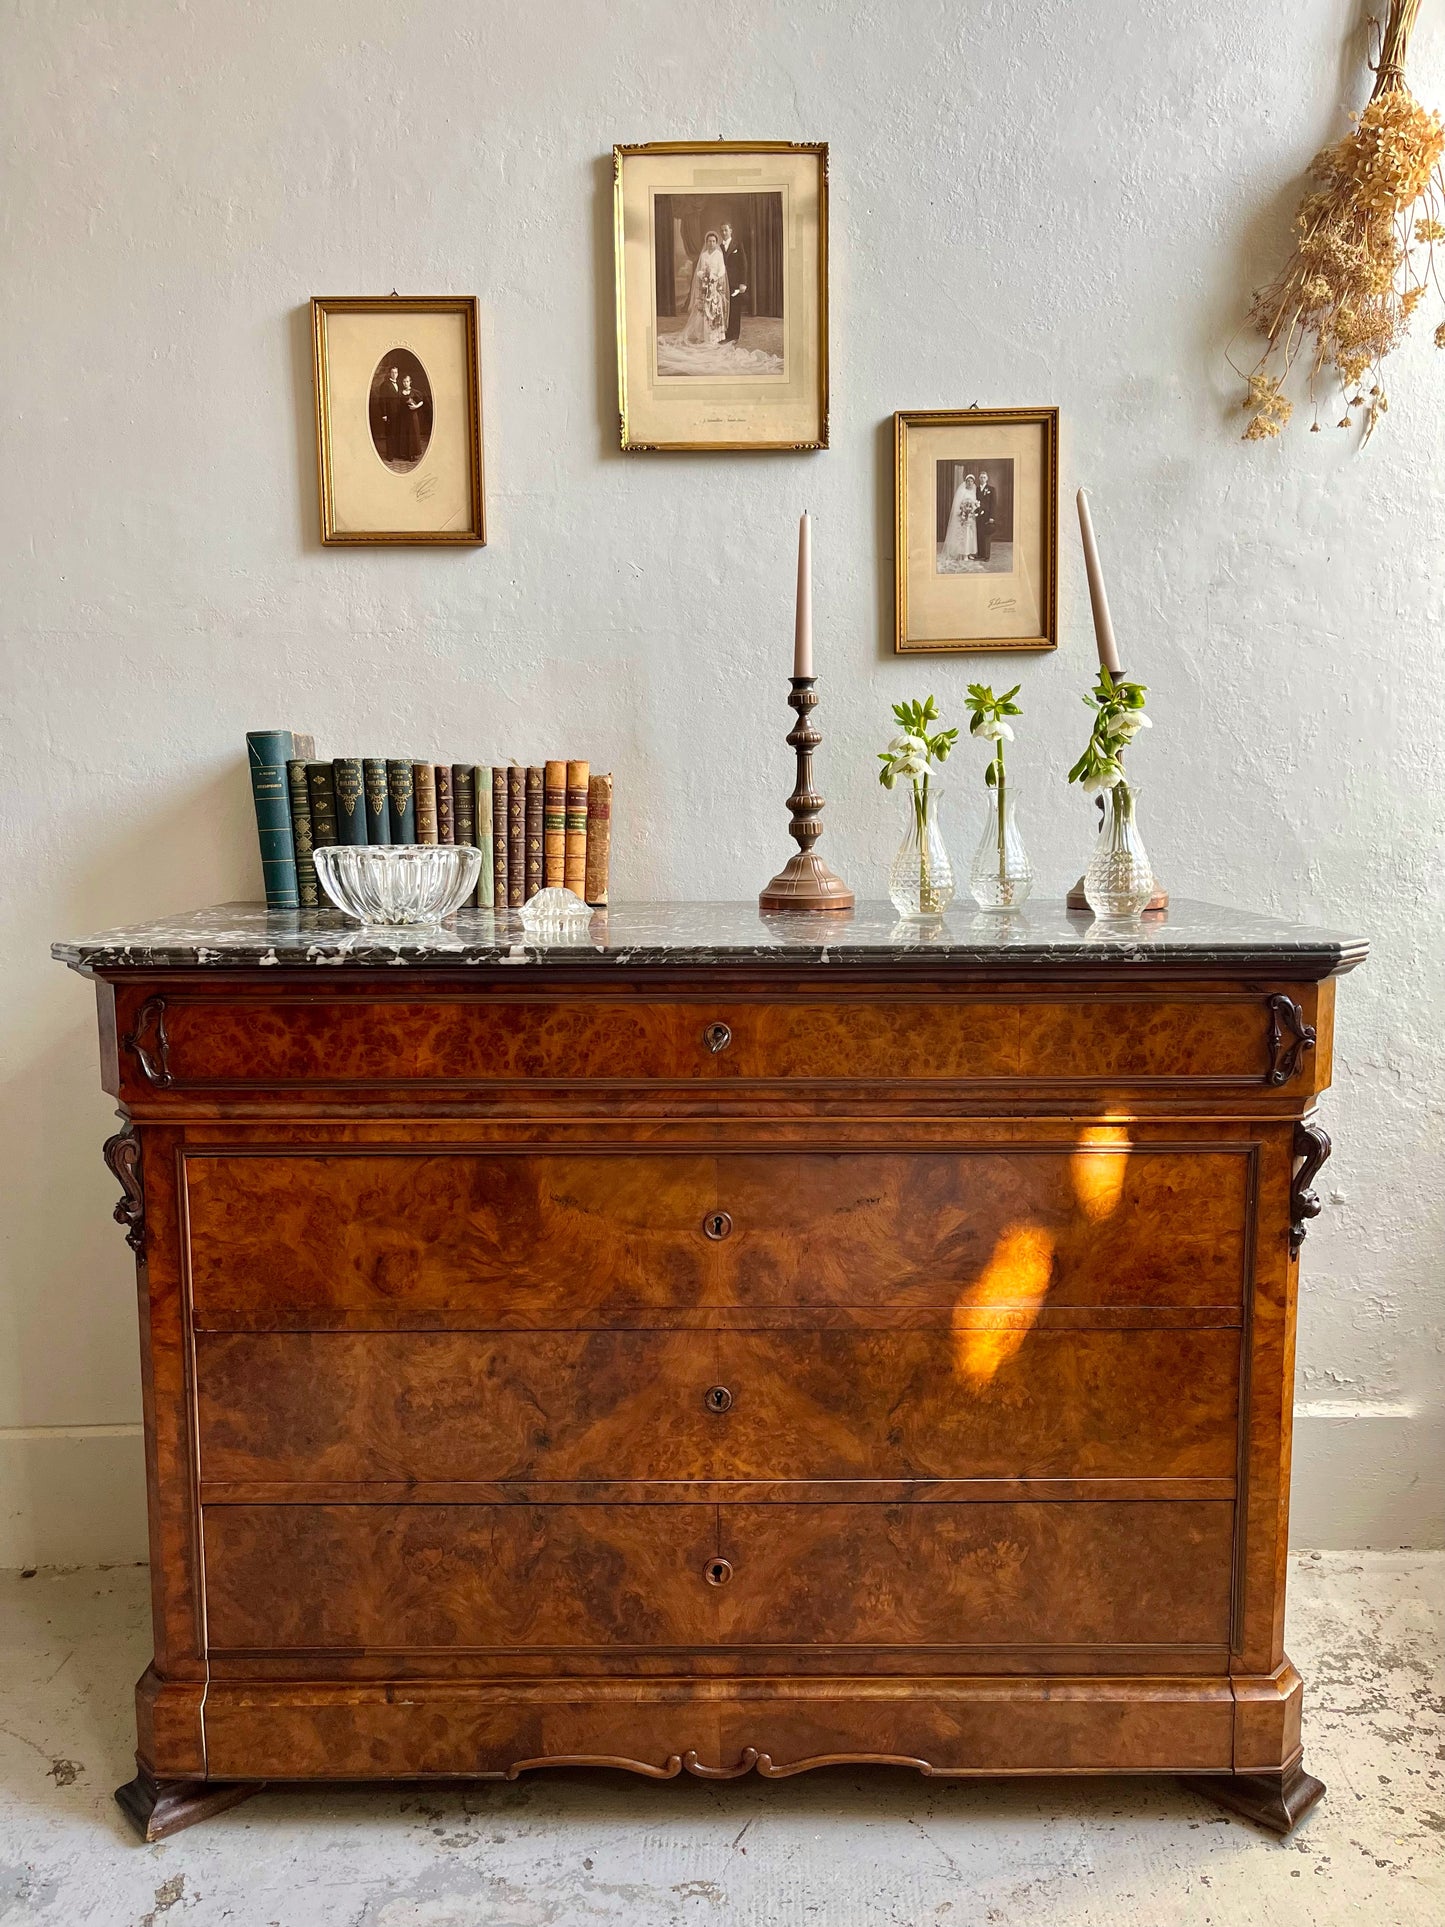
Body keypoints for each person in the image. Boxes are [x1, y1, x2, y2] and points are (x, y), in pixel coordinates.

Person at [679, 231, 729, 347]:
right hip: (705, 284)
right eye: (709, 241)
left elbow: (722, 269)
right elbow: (700, 270)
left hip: (715, 284)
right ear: (706, 243)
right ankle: (705, 335)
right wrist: (703, 275)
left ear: (716, 243)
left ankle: (716, 336)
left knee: (714, 308)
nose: (711, 243)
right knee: (705, 309)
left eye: (713, 241)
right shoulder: (704, 255)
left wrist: (715, 277)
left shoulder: (718, 254)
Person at [941, 472, 978, 565]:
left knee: (971, 535)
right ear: (965, 482)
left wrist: (973, 510)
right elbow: (958, 505)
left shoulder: (974, 491)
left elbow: (975, 504)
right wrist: (963, 513)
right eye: (968, 481)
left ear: (973, 482)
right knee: (964, 535)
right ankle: (964, 553)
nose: (970, 483)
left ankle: (969, 553)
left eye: (971, 481)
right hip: (963, 517)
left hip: (971, 517)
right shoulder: (962, 491)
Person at [721, 220, 748, 344]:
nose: (724, 232)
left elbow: (744, 264)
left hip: (735, 282)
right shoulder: (719, 246)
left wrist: (743, 282)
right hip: (723, 282)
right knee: (725, 308)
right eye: (722, 230)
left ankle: (734, 336)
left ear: (731, 231)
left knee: (735, 309)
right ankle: (726, 333)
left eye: (726, 230)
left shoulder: (738, 244)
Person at [394, 373, 426, 467]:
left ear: (410, 382)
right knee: (404, 433)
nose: (405, 383)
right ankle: (405, 453)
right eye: (404, 381)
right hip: (403, 416)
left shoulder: (415, 392)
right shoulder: (399, 392)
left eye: (407, 381)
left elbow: (421, 401)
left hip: (412, 415)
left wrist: (416, 406)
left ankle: (412, 454)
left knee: (413, 433)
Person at [372, 364, 402, 462]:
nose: (394, 374)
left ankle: (397, 452)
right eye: (393, 372)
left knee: (397, 433)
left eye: (396, 372)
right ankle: (390, 455)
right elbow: (382, 400)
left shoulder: (399, 384)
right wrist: (384, 414)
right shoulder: (385, 385)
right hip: (389, 414)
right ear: (389, 373)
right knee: (390, 434)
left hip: (398, 414)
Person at [975, 470, 996, 564]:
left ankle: (986, 555)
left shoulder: (991, 489)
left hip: (987, 516)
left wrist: (992, 516)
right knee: (979, 534)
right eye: (981, 477)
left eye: (984, 477)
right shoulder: (976, 489)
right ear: (979, 479)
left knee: (986, 536)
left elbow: (993, 504)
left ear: (987, 479)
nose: (982, 479)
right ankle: (980, 554)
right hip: (978, 515)